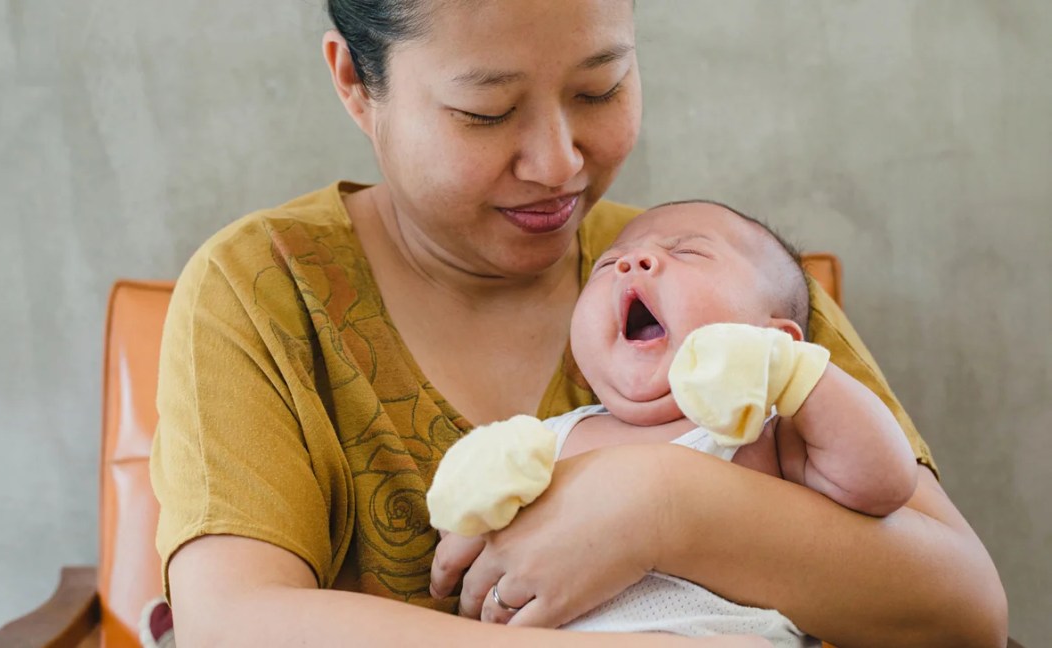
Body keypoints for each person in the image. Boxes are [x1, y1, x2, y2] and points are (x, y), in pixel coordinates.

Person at [150, 1, 1007, 646]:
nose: (558, 163)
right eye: (485, 111)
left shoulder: (715, 271)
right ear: (352, 81)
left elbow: (961, 607)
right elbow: (233, 622)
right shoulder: (267, 291)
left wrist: (661, 502)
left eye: (600, 87)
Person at [426, 201, 920, 645]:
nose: (631, 262)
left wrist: (794, 376)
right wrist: (473, 510)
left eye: (687, 252)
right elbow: (472, 529)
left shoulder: (767, 432)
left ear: (775, 339)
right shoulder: (553, 437)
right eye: (606, 265)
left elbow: (881, 483)